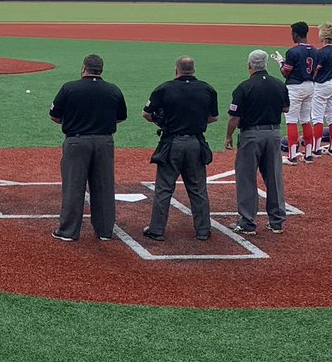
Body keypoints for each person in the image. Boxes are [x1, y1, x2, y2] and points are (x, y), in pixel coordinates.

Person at [49, 54, 127, 242]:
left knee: (73, 186)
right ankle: (105, 230)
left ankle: (68, 231)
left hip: (76, 142)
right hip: (104, 142)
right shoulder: (113, 89)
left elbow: (54, 116)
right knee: (104, 186)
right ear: (101, 70)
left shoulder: (69, 88)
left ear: (83, 68)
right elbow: (121, 117)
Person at [141, 56, 218, 242]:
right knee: (198, 189)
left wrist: (163, 120)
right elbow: (213, 117)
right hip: (196, 144)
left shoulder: (164, 88)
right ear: (193, 70)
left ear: (176, 70)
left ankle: (157, 230)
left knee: (164, 188)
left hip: (171, 144)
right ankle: (203, 230)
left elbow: (147, 114)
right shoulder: (207, 89)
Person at [224, 50, 290, 235]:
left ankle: (247, 223)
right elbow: (286, 107)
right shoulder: (278, 84)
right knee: (274, 177)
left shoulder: (244, 87)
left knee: (246, 178)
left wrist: (228, 136)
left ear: (249, 66)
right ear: (265, 65)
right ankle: (277, 222)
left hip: (251, 136)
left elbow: (233, 118)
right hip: (274, 134)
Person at [271, 21, 317, 163]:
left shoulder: (293, 51)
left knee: (291, 121)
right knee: (305, 120)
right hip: (310, 86)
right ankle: (308, 154)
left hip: (295, 88)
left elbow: (286, 73)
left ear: (296, 34)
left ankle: (292, 156)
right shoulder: (315, 50)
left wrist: (280, 63)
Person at [309, 23, 332, 156]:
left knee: (317, 118)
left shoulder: (321, 52)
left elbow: (315, 70)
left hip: (322, 85)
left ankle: (316, 148)